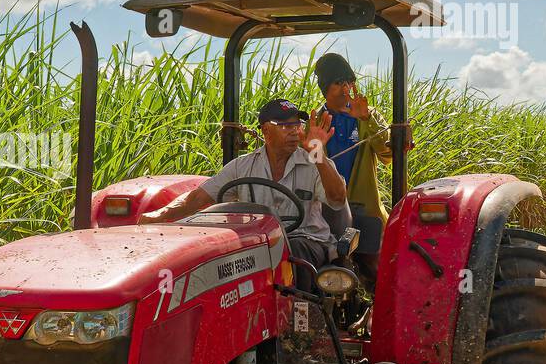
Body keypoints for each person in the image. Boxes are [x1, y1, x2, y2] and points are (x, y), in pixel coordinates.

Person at [140, 98, 348, 289]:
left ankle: (296, 316)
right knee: (225, 251)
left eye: (297, 125)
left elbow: (338, 199)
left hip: (304, 239)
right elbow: (197, 198)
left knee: (291, 248)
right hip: (257, 243)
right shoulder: (242, 166)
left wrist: (318, 152)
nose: (294, 131)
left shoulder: (314, 162)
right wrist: (157, 217)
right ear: (266, 131)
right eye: (285, 126)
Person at [312, 52, 393, 226]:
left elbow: (388, 154)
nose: (345, 89)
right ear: (324, 87)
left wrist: (367, 119)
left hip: (366, 214)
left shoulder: (369, 116)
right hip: (324, 214)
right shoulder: (314, 124)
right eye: (338, 83)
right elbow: (309, 165)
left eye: (349, 82)